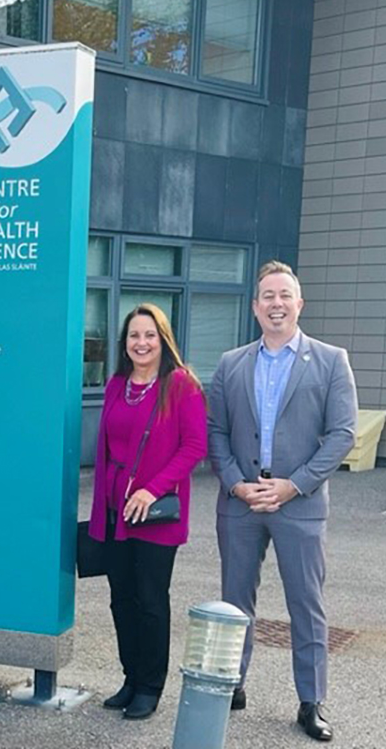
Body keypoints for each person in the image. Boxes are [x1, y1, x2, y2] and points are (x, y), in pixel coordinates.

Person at [208, 261, 357, 743]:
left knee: (306, 604)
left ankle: (311, 701)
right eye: (267, 295)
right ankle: (232, 684)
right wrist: (235, 483)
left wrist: (295, 484)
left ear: (299, 303)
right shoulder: (231, 363)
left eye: (284, 295)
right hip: (242, 502)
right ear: (255, 307)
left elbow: (342, 435)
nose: (276, 303)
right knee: (235, 601)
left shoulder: (331, 360)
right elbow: (217, 433)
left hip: (300, 503)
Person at [88, 303, 207, 720]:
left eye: (149, 335)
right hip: (114, 511)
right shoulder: (116, 384)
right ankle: (130, 678)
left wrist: (151, 492)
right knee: (120, 599)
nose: (141, 343)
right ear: (125, 343)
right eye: (134, 336)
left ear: (163, 339)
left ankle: (151, 687)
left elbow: (194, 447)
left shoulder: (181, 386)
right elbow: (105, 450)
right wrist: (102, 508)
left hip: (155, 514)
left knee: (150, 600)